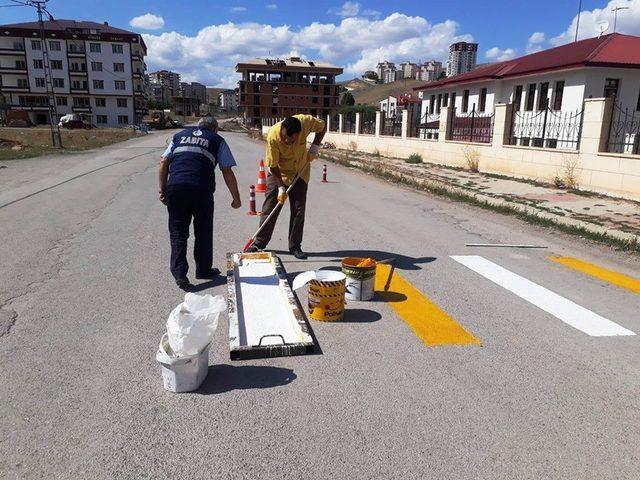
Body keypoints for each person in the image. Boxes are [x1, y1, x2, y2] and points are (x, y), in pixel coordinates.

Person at [158, 116, 241, 289]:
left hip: (176, 188)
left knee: (178, 232)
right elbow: (226, 170)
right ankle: (203, 269)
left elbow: (164, 161)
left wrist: (163, 189)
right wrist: (236, 197)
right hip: (201, 189)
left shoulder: (178, 136)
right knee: (203, 230)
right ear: (214, 129)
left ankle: (180, 275)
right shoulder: (217, 140)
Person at [247, 115, 325, 259]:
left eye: (294, 140)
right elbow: (272, 165)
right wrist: (281, 188)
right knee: (270, 207)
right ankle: (259, 242)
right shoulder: (273, 136)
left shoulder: (306, 122)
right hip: (279, 173)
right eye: (287, 139)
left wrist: (315, 146)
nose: (289, 142)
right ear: (283, 130)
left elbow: (322, 126)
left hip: (300, 171)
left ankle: (295, 246)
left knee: (299, 210)